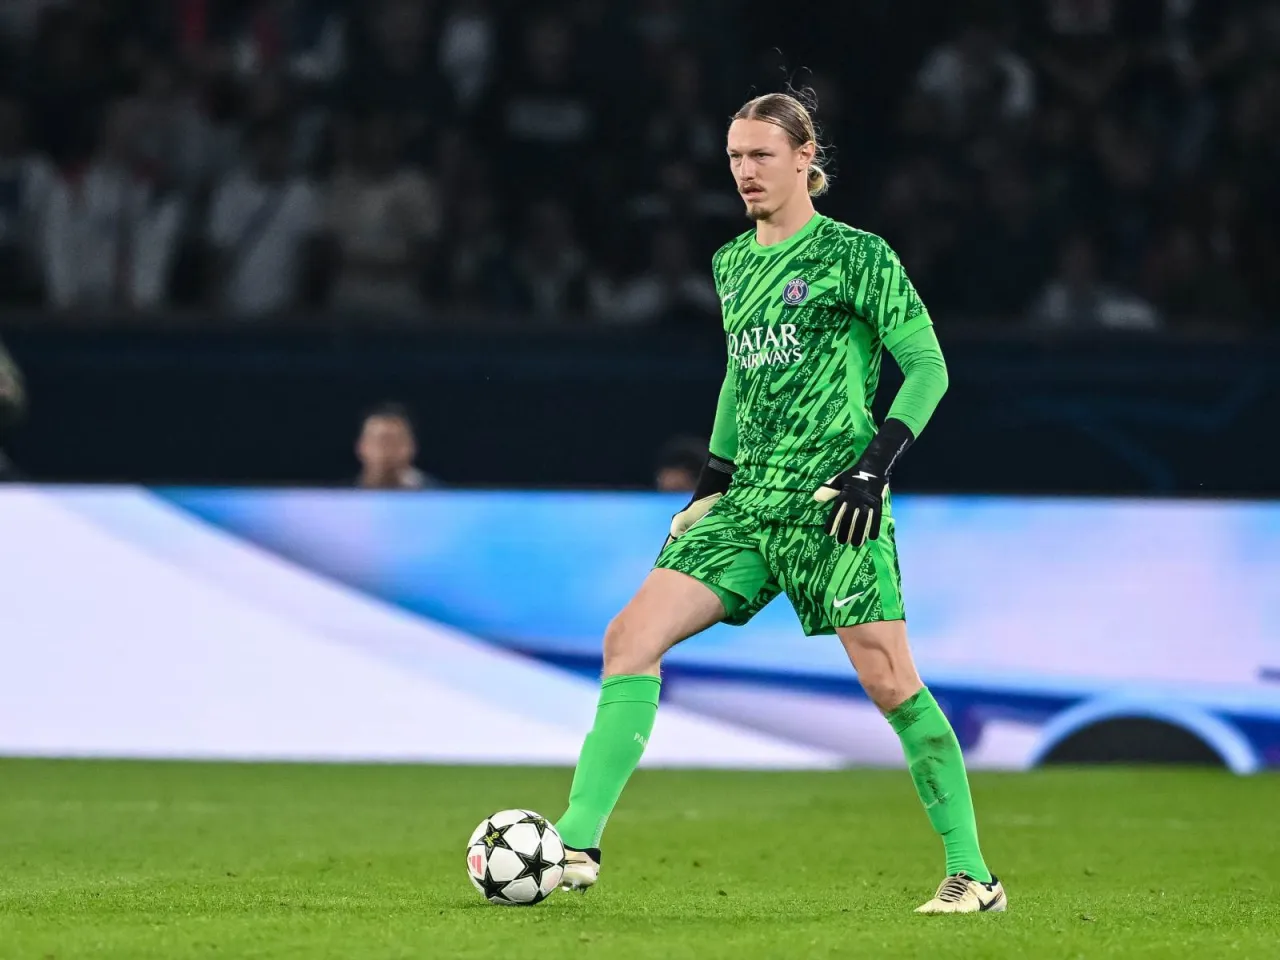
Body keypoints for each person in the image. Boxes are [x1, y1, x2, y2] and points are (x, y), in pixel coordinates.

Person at [552, 92, 1004, 914]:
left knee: (890, 682)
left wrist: (873, 469)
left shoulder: (856, 255)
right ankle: (576, 846)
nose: (745, 172)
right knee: (629, 638)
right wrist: (711, 481)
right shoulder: (732, 262)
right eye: (734, 157)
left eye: (761, 155)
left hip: (835, 501)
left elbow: (928, 367)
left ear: (805, 158)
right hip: (748, 501)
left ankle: (974, 875)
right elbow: (741, 372)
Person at [354, 402, 434, 490]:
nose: (387, 450)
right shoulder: (345, 495)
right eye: (380, 442)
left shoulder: (437, 494)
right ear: (361, 446)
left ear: (412, 446)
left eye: (394, 442)